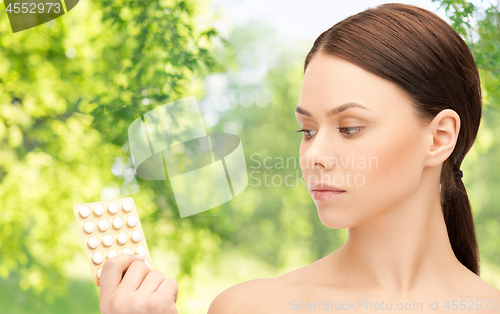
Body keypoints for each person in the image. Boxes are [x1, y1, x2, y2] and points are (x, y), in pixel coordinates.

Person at [98, 3, 500, 313]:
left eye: (349, 128)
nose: (314, 156)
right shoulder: (249, 308)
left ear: (439, 138)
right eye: (307, 131)